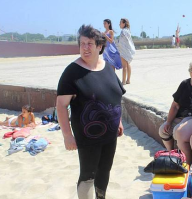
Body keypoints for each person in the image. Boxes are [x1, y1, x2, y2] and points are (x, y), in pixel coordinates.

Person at [56, 24, 125, 199]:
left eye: (90, 44)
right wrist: (67, 135)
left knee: (104, 171)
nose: (85, 48)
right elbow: (61, 105)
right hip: (87, 136)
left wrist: (119, 121)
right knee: (88, 174)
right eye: (82, 44)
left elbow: (115, 95)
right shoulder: (72, 72)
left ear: (99, 46)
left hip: (110, 134)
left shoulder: (107, 67)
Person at [159, 60, 192, 150]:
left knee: (178, 131)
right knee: (163, 130)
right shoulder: (185, 84)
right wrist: (168, 122)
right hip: (181, 117)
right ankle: (171, 152)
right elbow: (175, 105)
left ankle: (184, 159)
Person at [118, 18, 135, 85]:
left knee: (124, 66)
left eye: (120, 23)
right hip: (128, 50)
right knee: (128, 64)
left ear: (124, 23)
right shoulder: (128, 31)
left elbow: (121, 42)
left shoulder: (123, 32)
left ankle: (123, 81)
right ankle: (128, 80)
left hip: (124, 50)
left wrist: (119, 48)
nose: (119, 24)